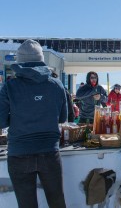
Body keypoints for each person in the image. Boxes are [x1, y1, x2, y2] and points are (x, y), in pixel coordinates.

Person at [0, 39, 67, 208]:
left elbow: (1, 121)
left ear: (19, 61)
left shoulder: (9, 87)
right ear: (41, 59)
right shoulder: (57, 85)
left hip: (19, 153)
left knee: (27, 205)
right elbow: (62, 118)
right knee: (57, 202)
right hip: (49, 152)